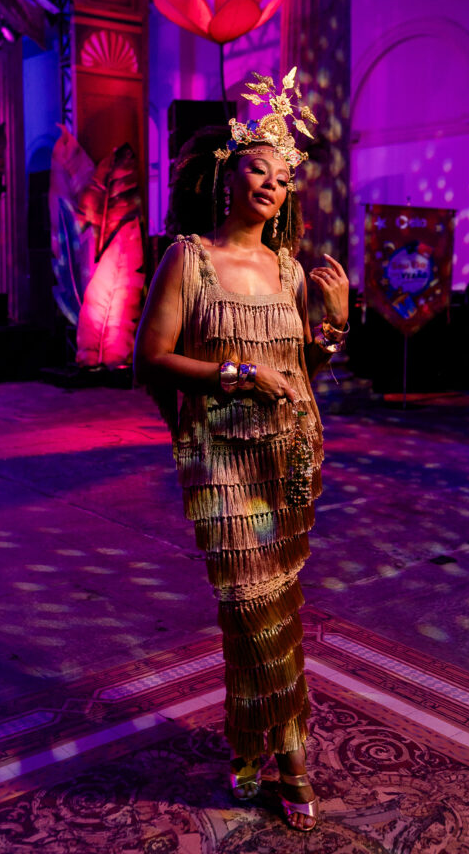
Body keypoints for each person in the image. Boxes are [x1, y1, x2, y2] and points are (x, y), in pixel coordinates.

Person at [134, 69, 349, 833]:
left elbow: (299, 370)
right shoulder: (187, 258)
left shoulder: (289, 269)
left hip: (288, 457)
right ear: (228, 174)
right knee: (253, 606)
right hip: (222, 461)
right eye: (258, 168)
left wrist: (333, 326)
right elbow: (150, 358)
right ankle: (291, 754)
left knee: (270, 607)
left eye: (283, 178)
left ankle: (246, 740)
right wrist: (236, 374)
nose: (271, 185)